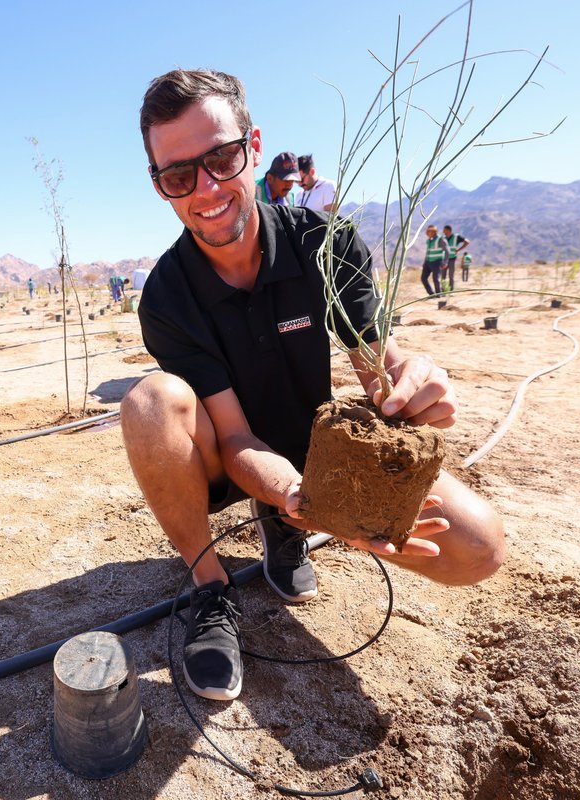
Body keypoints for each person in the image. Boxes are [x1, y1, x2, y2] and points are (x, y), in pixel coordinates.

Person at [125, 69, 504, 701]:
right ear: (161, 186)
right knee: (149, 403)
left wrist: (409, 385)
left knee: (476, 548)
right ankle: (209, 585)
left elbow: (376, 366)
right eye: (178, 176)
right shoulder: (167, 295)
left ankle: (283, 529)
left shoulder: (324, 244)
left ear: (252, 147)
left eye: (221, 158)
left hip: (324, 454)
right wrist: (301, 495)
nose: (207, 188)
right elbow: (238, 435)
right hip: (226, 454)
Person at [421, 225, 449, 296]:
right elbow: (428, 252)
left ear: (434, 232)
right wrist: (425, 262)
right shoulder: (429, 241)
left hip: (437, 261)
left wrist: (445, 262)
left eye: (430, 231)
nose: (428, 233)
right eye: (428, 231)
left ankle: (438, 294)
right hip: (428, 262)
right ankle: (431, 294)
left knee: (435, 279)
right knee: (423, 278)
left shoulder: (440, 239)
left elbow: (447, 251)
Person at [443, 225, 470, 290]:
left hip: (452, 258)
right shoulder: (443, 238)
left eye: (444, 230)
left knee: (451, 275)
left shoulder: (456, 237)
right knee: (443, 275)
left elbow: (467, 242)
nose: (443, 231)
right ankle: (443, 289)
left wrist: (458, 250)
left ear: (448, 230)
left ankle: (451, 289)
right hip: (444, 259)